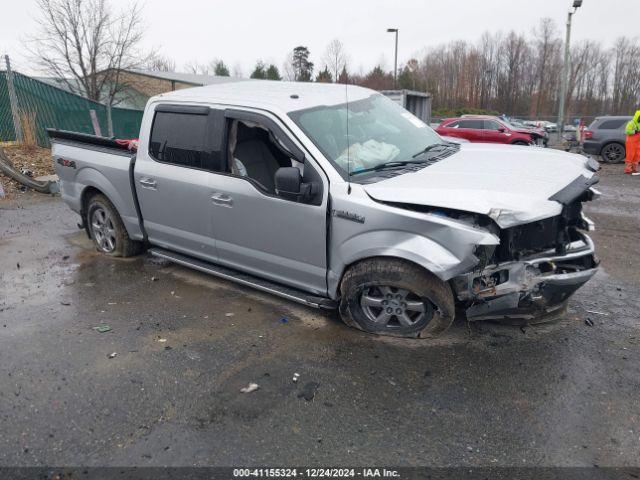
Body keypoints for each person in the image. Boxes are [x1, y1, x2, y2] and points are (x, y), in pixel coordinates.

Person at [624, 110, 640, 174]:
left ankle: (634, 169)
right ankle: (628, 169)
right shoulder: (631, 123)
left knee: (637, 155)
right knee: (630, 155)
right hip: (631, 142)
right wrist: (634, 132)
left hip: (638, 142)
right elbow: (627, 131)